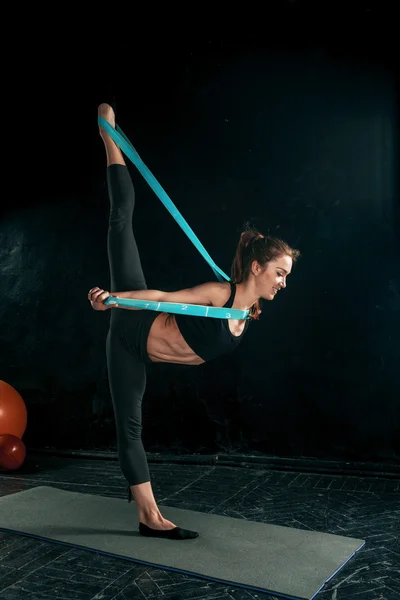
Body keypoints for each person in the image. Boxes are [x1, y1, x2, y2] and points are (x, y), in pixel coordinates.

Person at [88, 103, 300, 540]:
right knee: (120, 221)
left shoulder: (247, 314)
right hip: (131, 325)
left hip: (138, 355)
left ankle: (147, 518)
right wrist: (113, 300)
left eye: (286, 276)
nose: (283, 283)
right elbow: (162, 298)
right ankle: (111, 139)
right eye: (280, 273)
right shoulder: (218, 294)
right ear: (257, 268)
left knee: (132, 427)